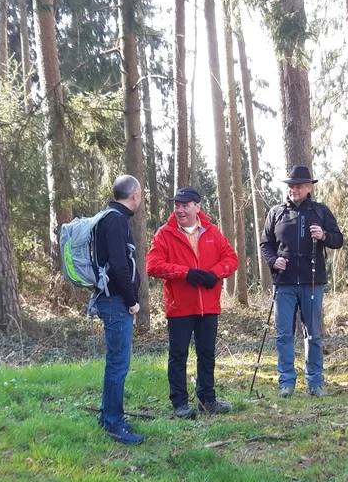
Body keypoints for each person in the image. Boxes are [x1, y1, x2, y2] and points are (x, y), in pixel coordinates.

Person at [146, 187, 239, 418]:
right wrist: (185, 272)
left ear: (197, 207)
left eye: (185, 205)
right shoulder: (164, 234)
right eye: (177, 205)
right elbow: (152, 266)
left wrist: (215, 273)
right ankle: (179, 404)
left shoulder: (212, 232)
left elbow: (231, 258)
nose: (180, 210)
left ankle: (208, 401)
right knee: (178, 355)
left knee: (207, 354)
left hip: (209, 305)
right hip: (179, 306)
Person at [259, 165, 344, 397]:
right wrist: (273, 261)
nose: (293, 190)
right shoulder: (276, 213)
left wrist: (324, 236)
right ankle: (286, 383)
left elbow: (338, 240)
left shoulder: (320, 211)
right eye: (291, 186)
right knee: (283, 334)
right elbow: (265, 244)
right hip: (284, 282)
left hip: (312, 281)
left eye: (298, 186)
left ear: (308, 188)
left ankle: (315, 383)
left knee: (313, 334)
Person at [92, 175, 144, 444]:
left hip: (111, 298)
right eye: (140, 193)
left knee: (115, 360)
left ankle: (107, 415)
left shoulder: (111, 217)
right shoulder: (115, 220)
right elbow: (119, 266)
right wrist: (132, 300)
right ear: (134, 194)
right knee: (118, 363)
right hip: (115, 300)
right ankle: (114, 423)